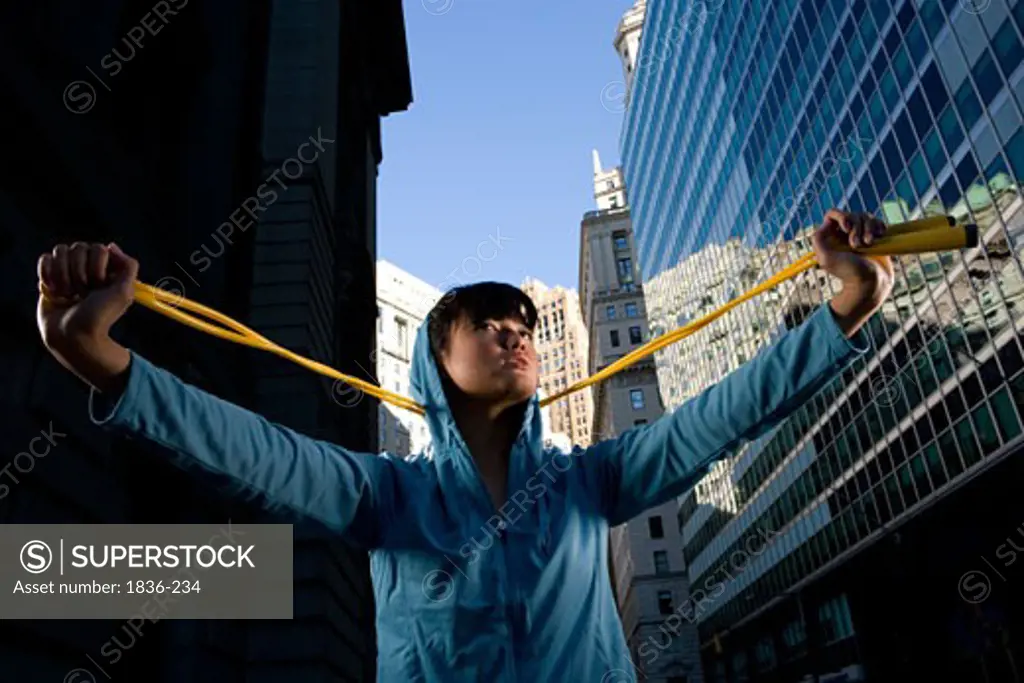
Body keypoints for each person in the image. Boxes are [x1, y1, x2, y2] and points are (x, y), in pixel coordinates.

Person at [37, 209, 893, 682]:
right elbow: (255, 449)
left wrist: (844, 308)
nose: (514, 335)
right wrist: (103, 359)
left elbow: (721, 413)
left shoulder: (590, 483)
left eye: (522, 323)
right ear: (433, 361)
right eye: (485, 325)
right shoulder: (387, 496)